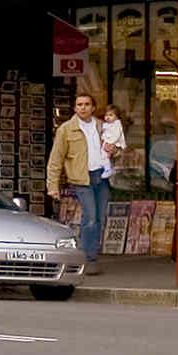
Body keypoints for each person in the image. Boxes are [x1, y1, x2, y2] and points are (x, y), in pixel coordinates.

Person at [45, 92, 113, 274]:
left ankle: (90, 254)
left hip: (102, 176)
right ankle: (87, 258)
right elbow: (56, 159)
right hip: (82, 178)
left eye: (86, 104)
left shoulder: (102, 126)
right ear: (75, 108)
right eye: (79, 104)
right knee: (90, 217)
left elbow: (117, 149)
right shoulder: (66, 129)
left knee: (98, 218)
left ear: (93, 107)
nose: (83, 107)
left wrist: (115, 150)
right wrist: (52, 186)